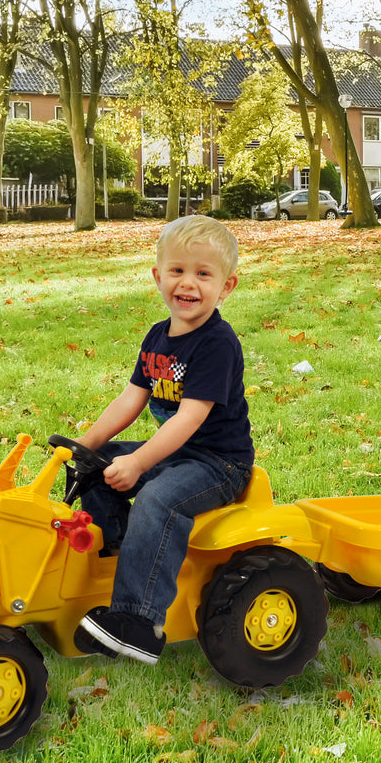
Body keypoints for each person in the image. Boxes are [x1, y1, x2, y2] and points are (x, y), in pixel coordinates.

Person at [75, 215, 254, 664]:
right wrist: (87, 443)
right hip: (178, 454)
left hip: (217, 463)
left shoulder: (217, 343)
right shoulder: (158, 336)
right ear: (158, 276)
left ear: (226, 287)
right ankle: (115, 553)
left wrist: (137, 463)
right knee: (94, 468)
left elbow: (188, 419)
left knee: (158, 499)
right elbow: (131, 398)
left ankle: (139, 622)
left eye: (203, 274)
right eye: (177, 271)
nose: (187, 284)